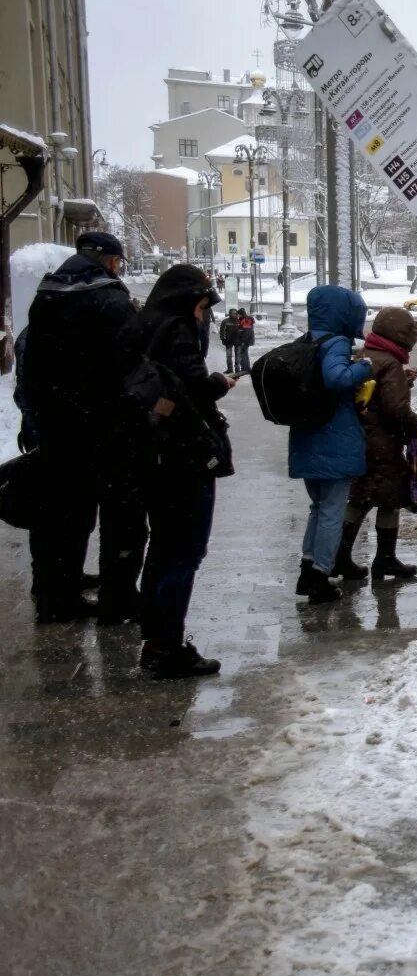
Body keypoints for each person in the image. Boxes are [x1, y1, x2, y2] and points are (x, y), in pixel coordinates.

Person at [17, 231, 140, 623]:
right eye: (118, 262)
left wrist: (35, 416)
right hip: (101, 426)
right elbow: (129, 365)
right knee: (116, 514)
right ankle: (107, 596)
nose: (118, 269)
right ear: (107, 260)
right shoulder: (108, 298)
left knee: (60, 511)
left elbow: (30, 364)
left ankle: (56, 588)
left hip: (56, 422)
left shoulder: (47, 295)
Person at [121, 264, 235, 677]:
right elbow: (194, 391)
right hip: (181, 459)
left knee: (164, 548)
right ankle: (165, 647)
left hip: (150, 456)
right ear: (188, 302)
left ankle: (157, 639)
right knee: (183, 551)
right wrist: (220, 384)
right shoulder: (177, 332)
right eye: (203, 307)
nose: (203, 316)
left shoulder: (140, 326)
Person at [289, 286, 374, 604]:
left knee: (318, 508)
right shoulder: (337, 342)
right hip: (333, 440)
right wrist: (364, 367)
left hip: (310, 437)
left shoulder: (309, 340)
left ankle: (308, 568)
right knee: (332, 512)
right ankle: (320, 577)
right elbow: (336, 378)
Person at [337, 307, 417, 581]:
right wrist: (413, 426)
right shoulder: (391, 363)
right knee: (389, 499)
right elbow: (395, 410)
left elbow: (371, 398)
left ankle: (340, 556)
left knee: (361, 496)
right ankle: (384, 560)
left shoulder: (366, 355)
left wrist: (402, 383)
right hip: (383, 444)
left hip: (361, 439)